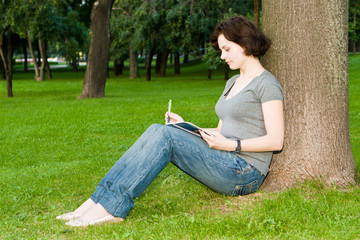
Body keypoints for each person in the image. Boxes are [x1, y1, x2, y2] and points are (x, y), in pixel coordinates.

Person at [56, 15, 284, 227]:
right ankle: (95, 202)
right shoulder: (233, 81)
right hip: (225, 157)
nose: (222, 56)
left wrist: (233, 146)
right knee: (159, 129)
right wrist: (185, 127)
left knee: (165, 136)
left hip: (245, 171)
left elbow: (276, 141)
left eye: (227, 49)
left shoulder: (267, 84)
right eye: (221, 50)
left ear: (245, 43)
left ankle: (112, 208)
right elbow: (221, 130)